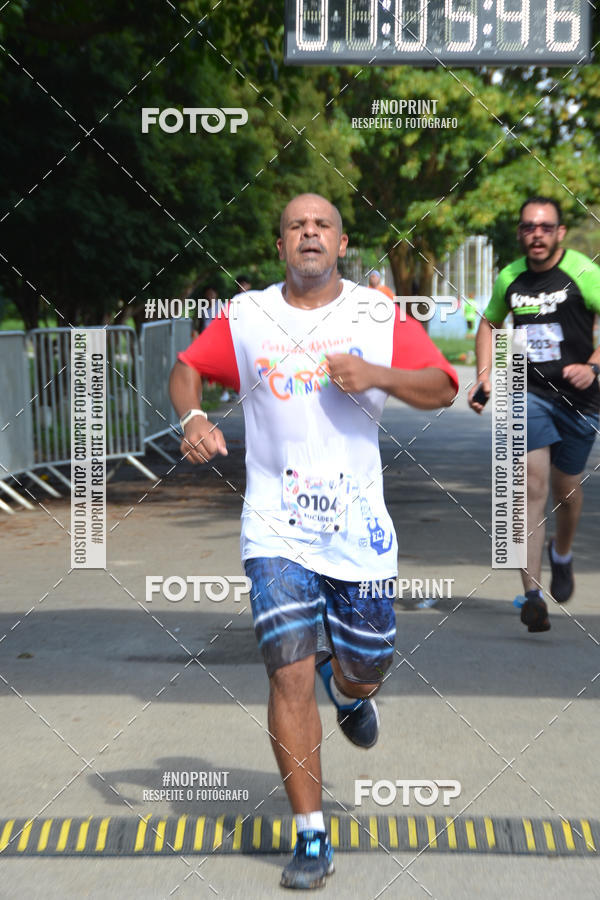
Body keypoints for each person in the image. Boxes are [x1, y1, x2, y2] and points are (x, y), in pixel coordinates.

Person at [169, 194, 458, 890]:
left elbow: (444, 386)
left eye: (321, 225)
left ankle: (350, 690)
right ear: (280, 246)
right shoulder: (247, 315)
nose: (308, 233)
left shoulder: (376, 315)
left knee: (365, 668)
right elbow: (186, 368)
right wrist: (194, 417)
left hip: (359, 533)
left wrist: (378, 374)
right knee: (287, 675)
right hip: (275, 527)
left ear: (341, 242)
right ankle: (311, 835)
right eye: (296, 225)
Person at [468, 197, 600, 632]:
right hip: (528, 391)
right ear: (520, 233)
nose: (536, 234)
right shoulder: (510, 276)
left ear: (559, 232)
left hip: (581, 398)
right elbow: (489, 323)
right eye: (528, 227)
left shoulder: (583, 271)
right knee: (528, 485)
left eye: (545, 227)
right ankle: (532, 596)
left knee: (566, 490)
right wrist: (485, 376)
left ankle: (562, 552)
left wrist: (593, 366)